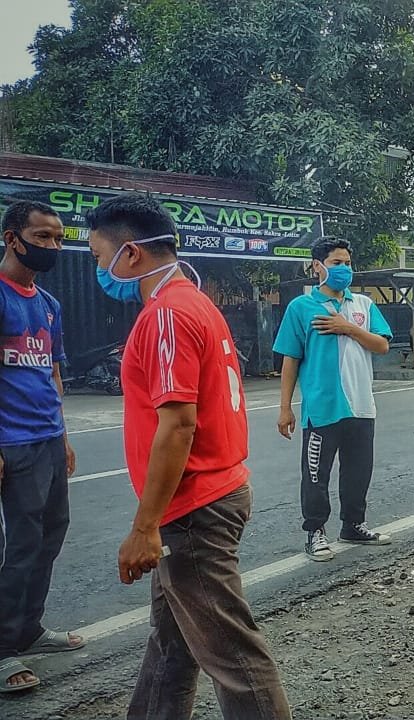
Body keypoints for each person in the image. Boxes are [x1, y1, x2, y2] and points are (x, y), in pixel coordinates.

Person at [86, 194, 290, 719]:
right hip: (210, 495)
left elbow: (177, 425)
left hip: (193, 510)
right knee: (172, 647)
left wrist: (145, 526)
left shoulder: (169, 314)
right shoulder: (196, 303)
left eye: (96, 256)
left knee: (233, 657)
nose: (98, 270)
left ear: (130, 254)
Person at [0, 200, 81, 694]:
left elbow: (51, 373)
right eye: (43, 236)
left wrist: (65, 436)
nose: (53, 246)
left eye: (58, 238)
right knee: (21, 547)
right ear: (13, 238)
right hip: (12, 444)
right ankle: (4, 648)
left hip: (47, 440)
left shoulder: (49, 304)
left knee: (51, 536)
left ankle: (28, 629)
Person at [275, 238, 394, 562]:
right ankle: (315, 532)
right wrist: (285, 408)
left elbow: (382, 345)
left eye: (347, 263)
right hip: (322, 407)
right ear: (318, 267)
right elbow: (290, 359)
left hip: (361, 405)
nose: (344, 269)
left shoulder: (364, 306)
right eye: (336, 263)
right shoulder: (300, 308)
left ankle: (353, 525)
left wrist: (346, 328)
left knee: (359, 471)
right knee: (316, 475)